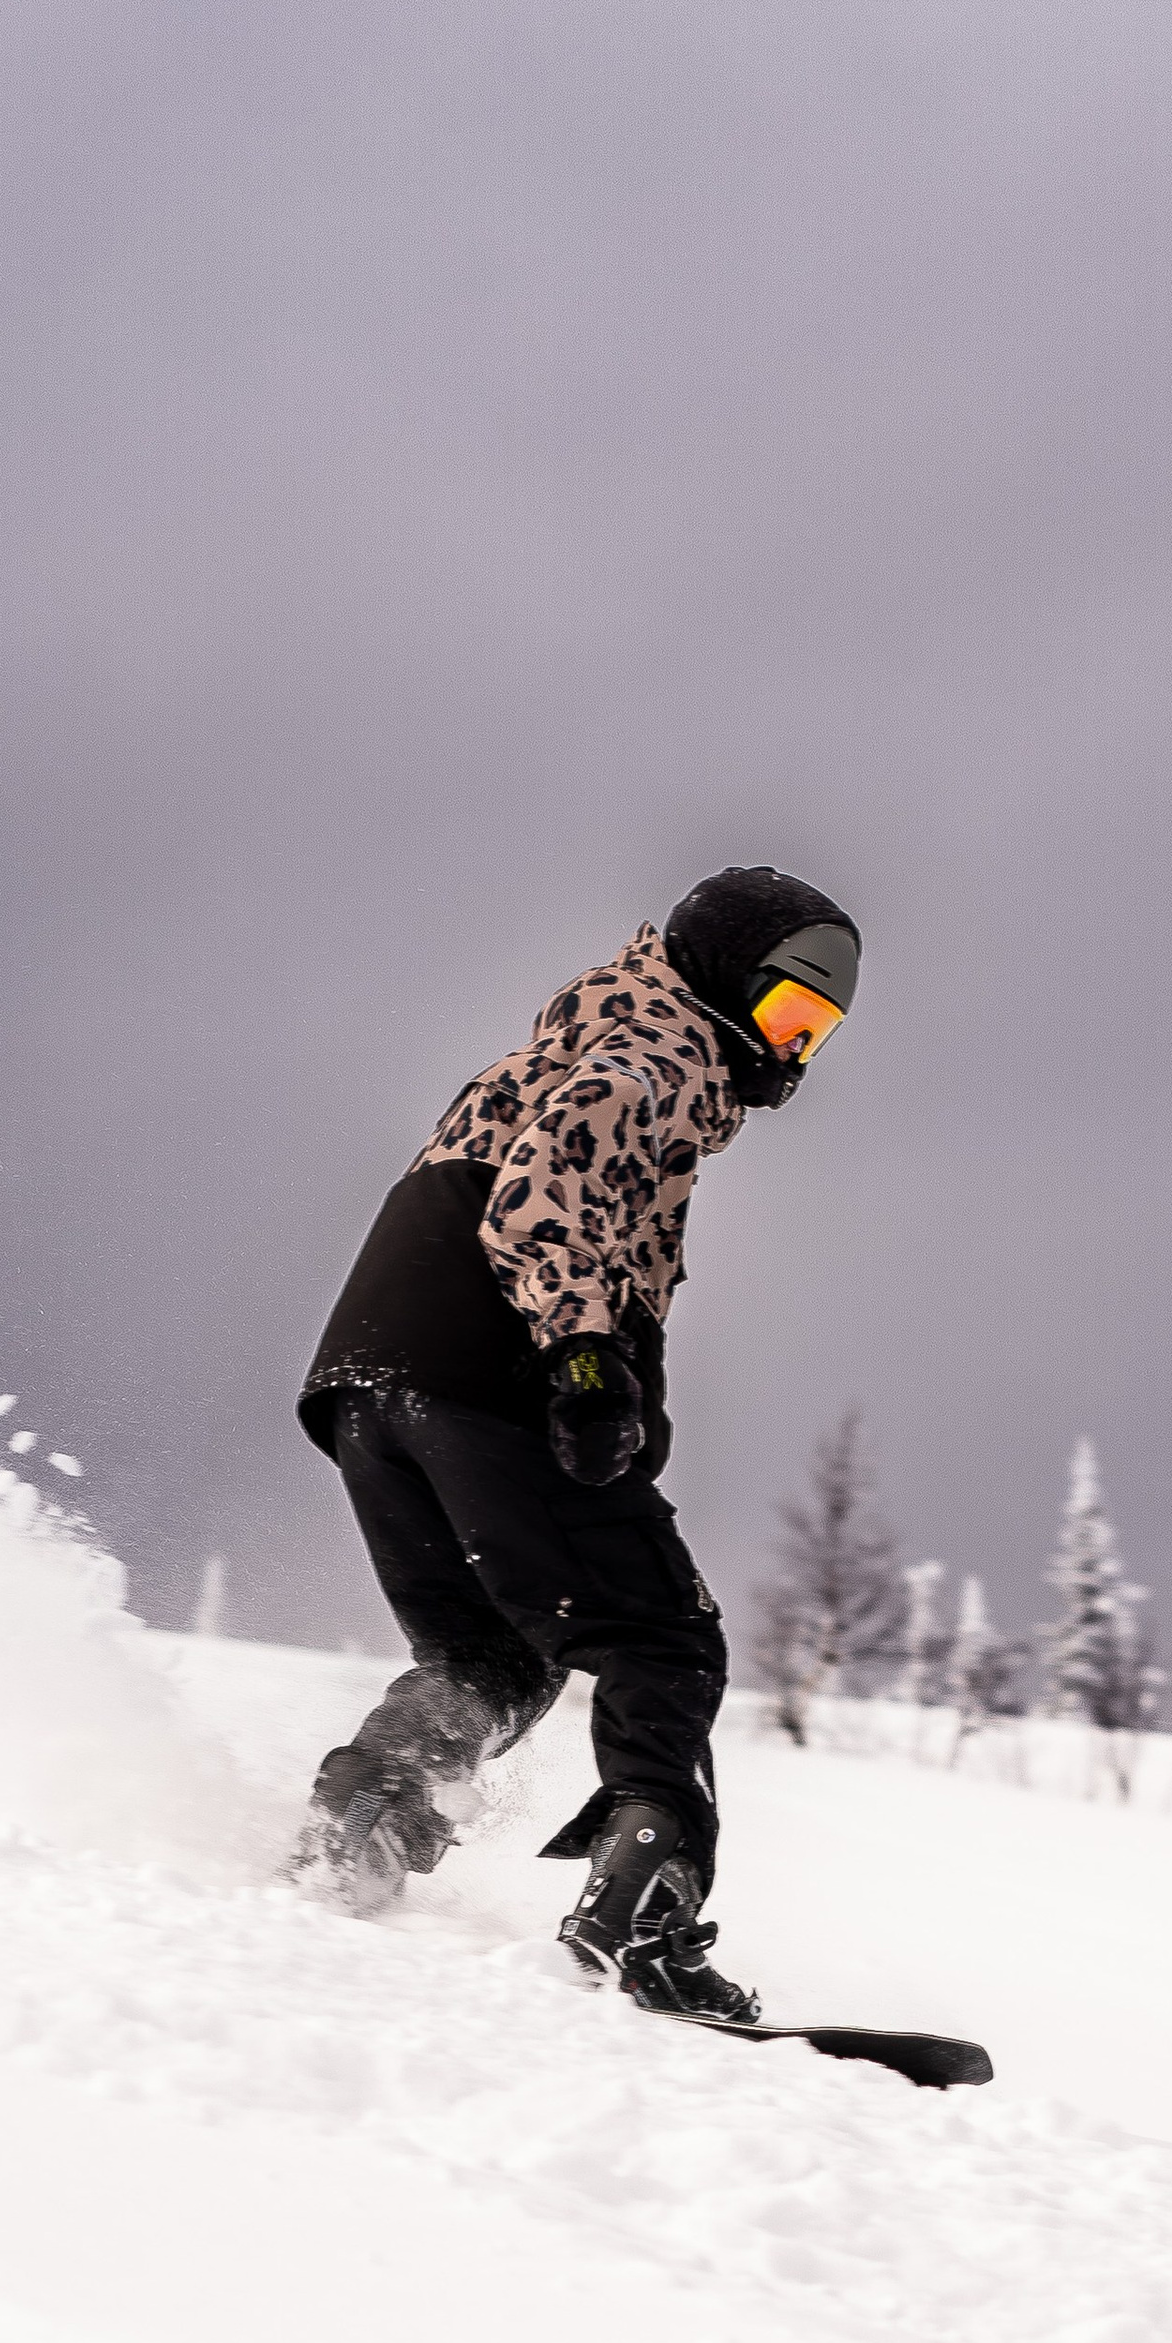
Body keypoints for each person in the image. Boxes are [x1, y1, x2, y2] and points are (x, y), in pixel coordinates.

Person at [292, 864, 861, 2020]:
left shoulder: (581, 1040)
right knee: (666, 1640)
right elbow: (536, 1196)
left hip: (372, 1387)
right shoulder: (656, 1054)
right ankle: (643, 1918)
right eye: (782, 1011)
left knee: (496, 1662)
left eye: (816, 1028)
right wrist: (586, 1361)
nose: (791, 1049)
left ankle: (357, 1835)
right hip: (482, 1379)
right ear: (719, 981)